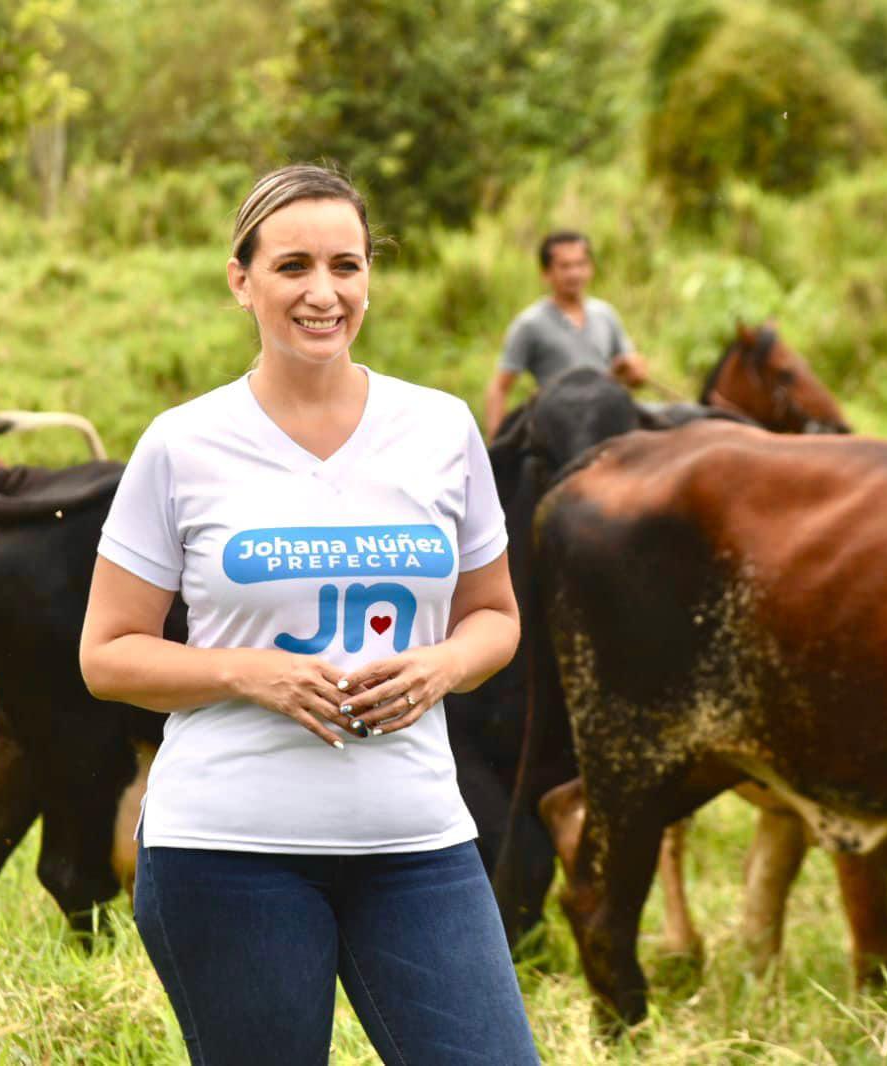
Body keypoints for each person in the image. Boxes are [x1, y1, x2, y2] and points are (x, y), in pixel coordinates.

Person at [80, 164, 540, 1066]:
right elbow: (107, 654)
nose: (323, 293)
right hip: (224, 853)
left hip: (419, 845)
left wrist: (441, 666)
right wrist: (249, 673)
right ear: (240, 279)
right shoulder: (181, 443)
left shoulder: (442, 429)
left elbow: (494, 617)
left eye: (347, 265)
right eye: (292, 266)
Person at [482, 230, 649, 439]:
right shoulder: (530, 324)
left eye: (580, 264)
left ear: (591, 269)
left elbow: (634, 375)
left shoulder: (605, 314)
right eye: (565, 266)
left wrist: (631, 370)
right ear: (546, 273)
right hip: (560, 424)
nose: (574, 273)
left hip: (605, 415)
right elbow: (499, 387)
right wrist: (495, 442)